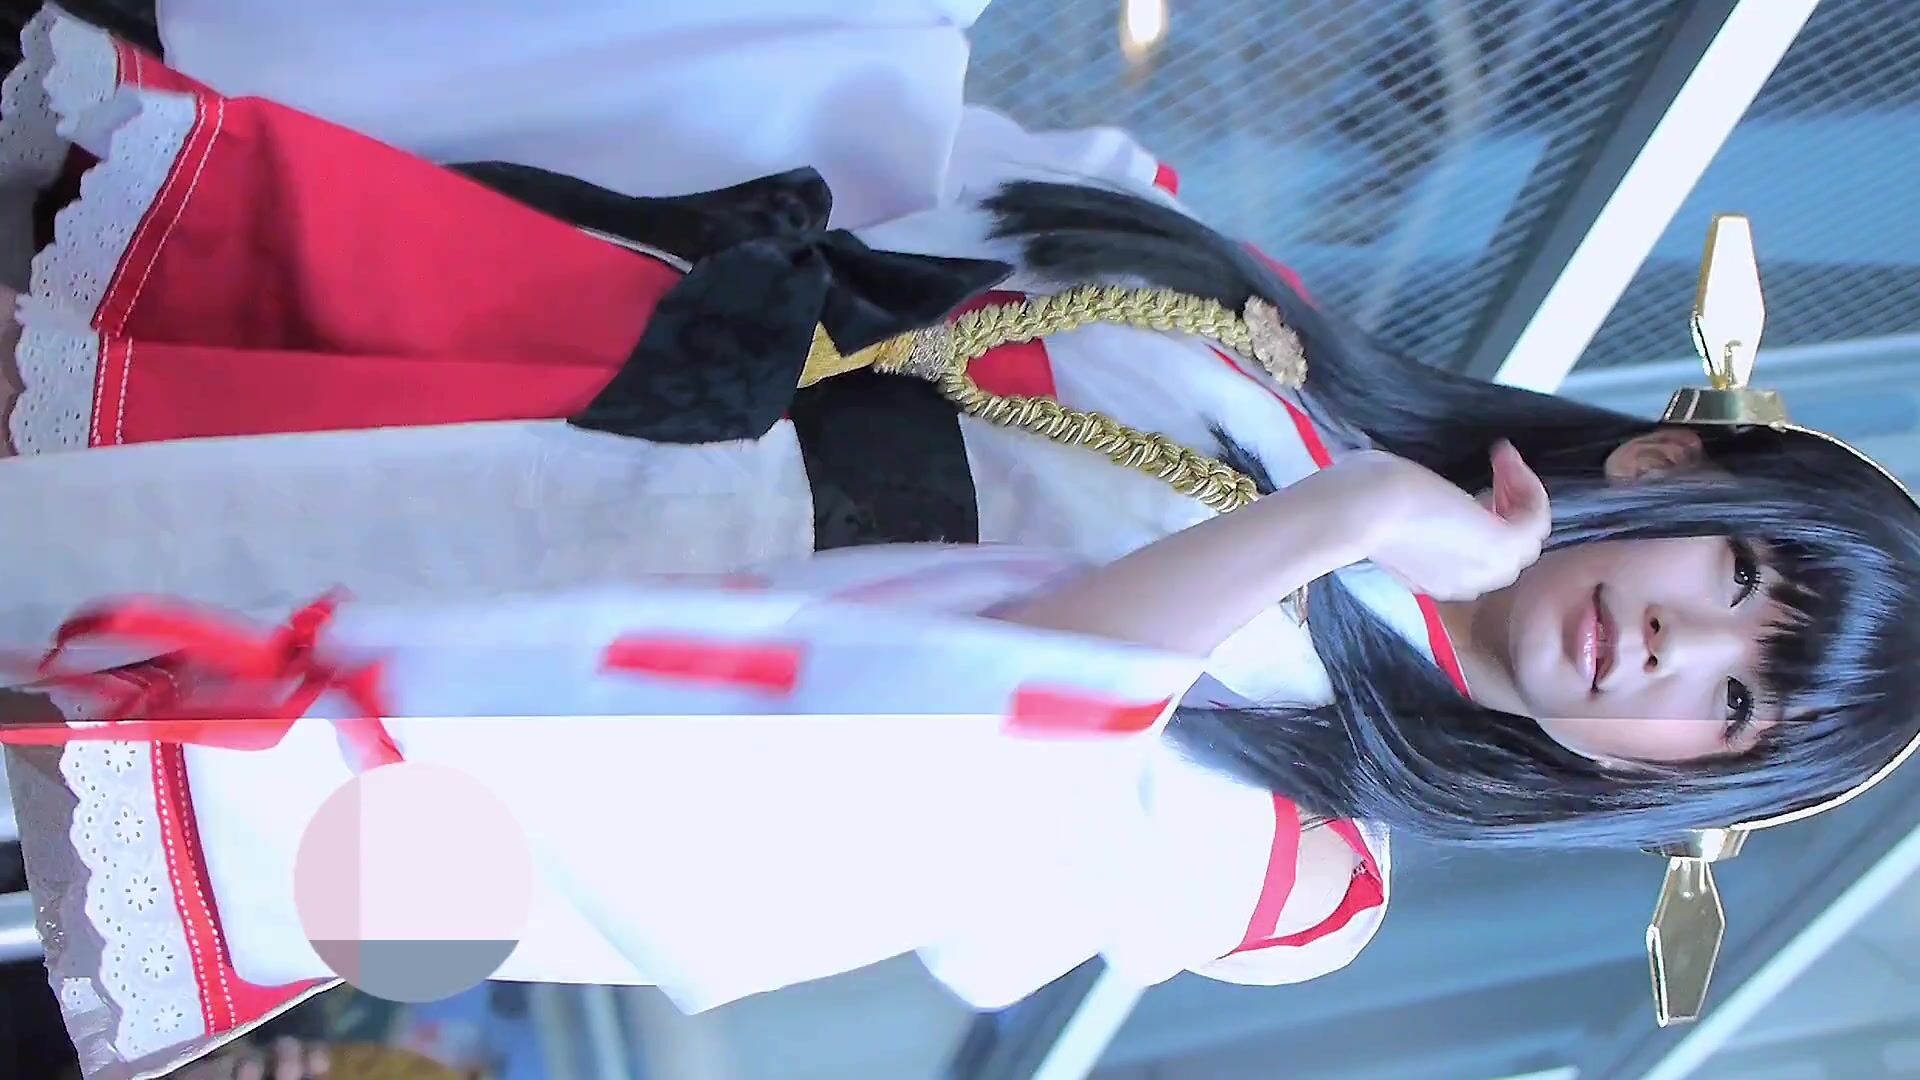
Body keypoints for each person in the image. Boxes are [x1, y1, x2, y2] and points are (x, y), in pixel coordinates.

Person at [2, 5, 1918, 1079]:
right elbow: (915, 200)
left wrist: (1339, 525)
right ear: (1676, 463)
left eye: (1737, 710)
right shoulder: (1277, 344)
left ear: (1672, 787)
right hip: (554, 374)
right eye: (1741, 584)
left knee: (93, 616)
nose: (1678, 652)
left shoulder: (1303, 872)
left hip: (577, 650)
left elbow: (968, 777)